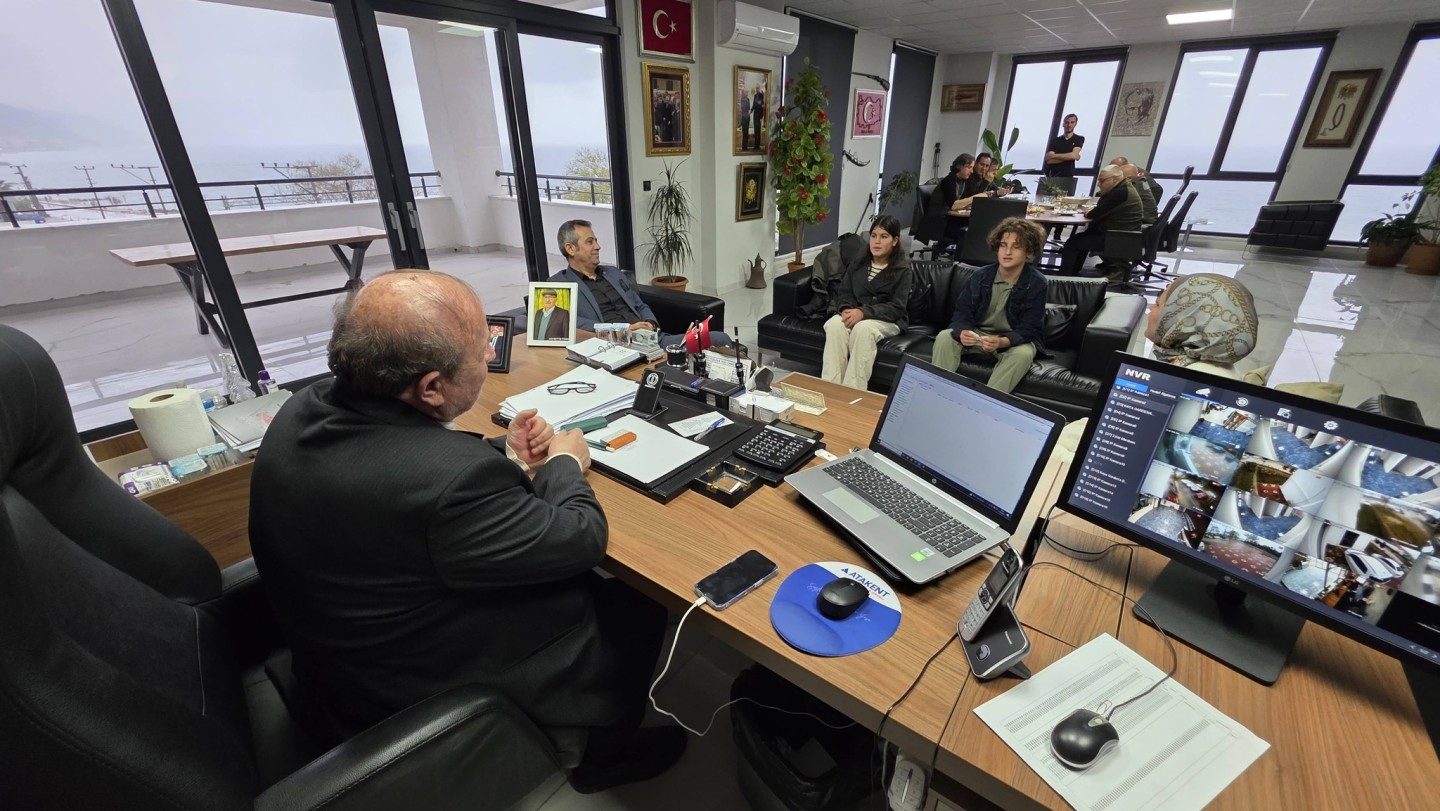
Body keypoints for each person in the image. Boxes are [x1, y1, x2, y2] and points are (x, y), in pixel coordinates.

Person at [248, 269, 684, 794]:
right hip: (408, 683)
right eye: (482, 351)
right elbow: (580, 537)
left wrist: (505, 456)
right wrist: (564, 464)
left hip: (338, 652)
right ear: (431, 388)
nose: (490, 355)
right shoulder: (449, 484)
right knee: (636, 605)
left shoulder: (304, 406)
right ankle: (603, 757)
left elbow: (408, 467)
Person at [550, 219, 732, 347]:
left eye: (596, 241)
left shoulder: (613, 273)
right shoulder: (559, 284)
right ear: (570, 249)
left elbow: (640, 304)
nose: (598, 246)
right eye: (590, 242)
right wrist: (623, 329)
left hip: (652, 341)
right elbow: (569, 322)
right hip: (614, 347)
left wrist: (650, 323)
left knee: (719, 340)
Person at [931, 218, 1048, 394]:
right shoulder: (981, 276)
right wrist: (963, 331)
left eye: (1016, 247)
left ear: (1029, 251)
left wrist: (1002, 341)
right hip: (978, 335)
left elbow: (1029, 329)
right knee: (944, 337)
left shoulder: (1038, 283)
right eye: (1003, 245)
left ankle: (986, 402)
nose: (1007, 252)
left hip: (1012, 340)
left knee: (1023, 354)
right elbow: (962, 313)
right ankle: (937, 394)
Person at [822, 214, 913, 389]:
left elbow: (897, 308)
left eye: (884, 236)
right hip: (857, 312)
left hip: (888, 319)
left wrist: (863, 312)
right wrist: (846, 309)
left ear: (895, 241)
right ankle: (831, 389)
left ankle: (853, 392)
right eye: (873, 235)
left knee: (863, 329)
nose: (877, 241)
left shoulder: (903, 271)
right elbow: (845, 292)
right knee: (835, 324)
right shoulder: (857, 264)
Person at [1147, 273, 1259, 378]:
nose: (1150, 307)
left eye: (1157, 304)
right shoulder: (1202, 368)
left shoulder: (1190, 378)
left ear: (1183, 319)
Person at [1059, 164, 1142, 277]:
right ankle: (1073, 273)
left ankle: (1064, 277)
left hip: (1117, 237)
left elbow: (1093, 214)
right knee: (1080, 239)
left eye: (1102, 181)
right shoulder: (1124, 187)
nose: (1099, 184)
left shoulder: (1120, 193)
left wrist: (1090, 212)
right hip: (1123, 234)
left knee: (1072, 243)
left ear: (1115, 179)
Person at [937, 153, 994, 248]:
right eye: (969, 167)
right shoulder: (949, 181)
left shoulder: (962, 181)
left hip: (952, 216)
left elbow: (964, 201)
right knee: (974, 227)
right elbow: (954, 205)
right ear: (959, 166)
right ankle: (962, 254)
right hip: (942, 217)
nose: (971, 171)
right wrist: (978, 196)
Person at [1045, 113, 1084, 177]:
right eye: (1067, 122)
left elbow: (1073, 155)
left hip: (1068, 176)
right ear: (1063, 124)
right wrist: (1071, 157)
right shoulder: (1055, 140)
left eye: (1072, 122)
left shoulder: (1079, 139)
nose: (1069, 125)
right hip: (1052, 176)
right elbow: (1049, 160)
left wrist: (1054, 156)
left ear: (1075, 124)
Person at [739, 85, 753, 151]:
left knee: (746, 133)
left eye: (747, 92)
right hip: (744, 118)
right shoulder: (743, 99)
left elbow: (749, 107)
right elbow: (744, 107)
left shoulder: (748, 99)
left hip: (747, 117)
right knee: (744, 133)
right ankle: (744, 147)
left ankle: (745, 147)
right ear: (744, 93)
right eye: (746, 92)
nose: (747, 93)